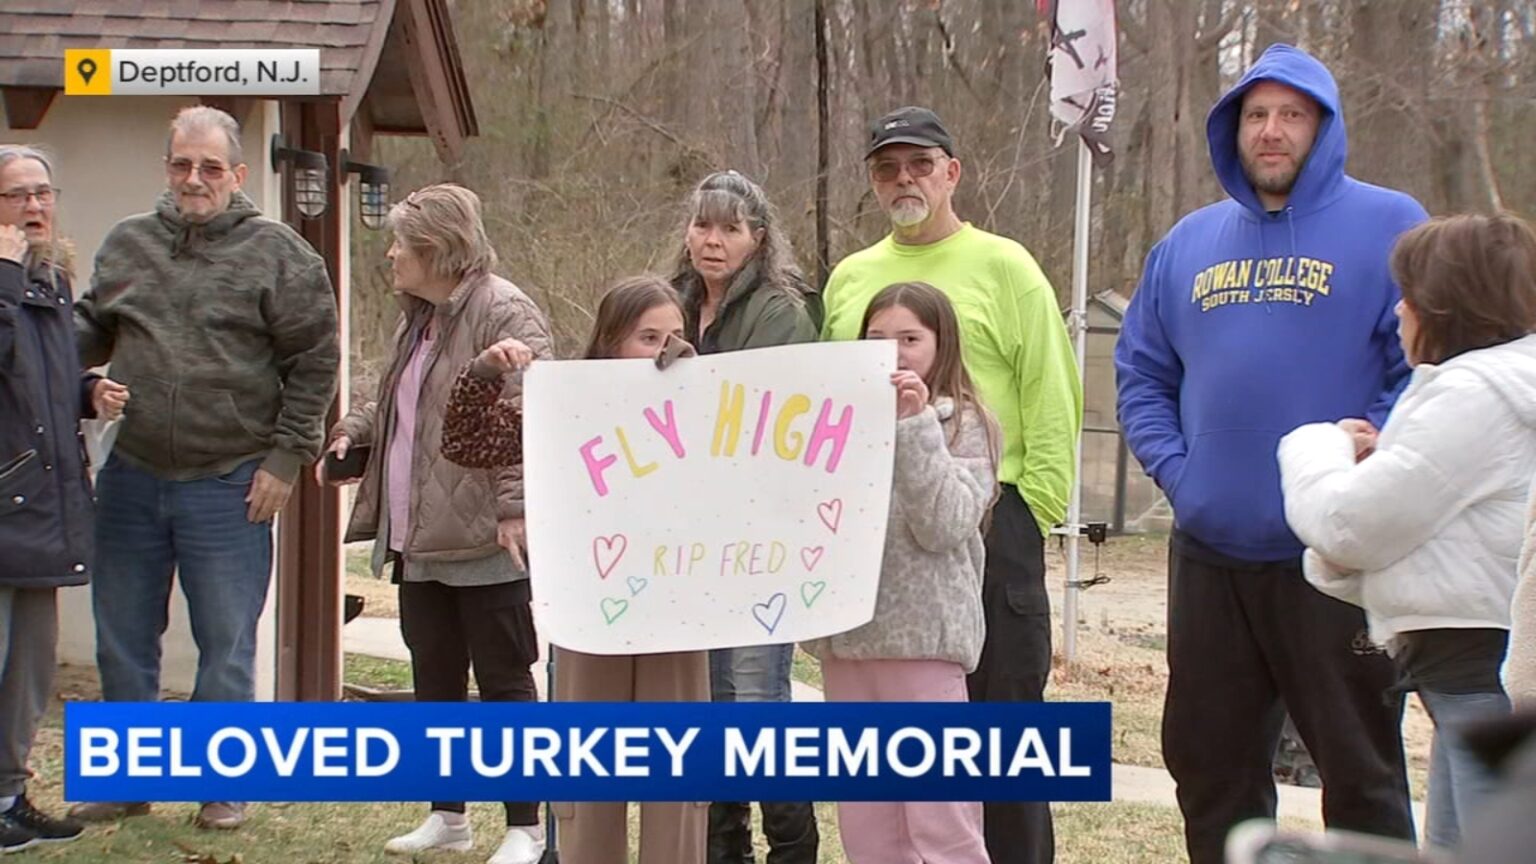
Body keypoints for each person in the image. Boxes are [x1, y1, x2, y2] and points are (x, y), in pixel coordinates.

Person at [1114, 44, 1424, 863]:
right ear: (1233, 129)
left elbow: (1419, 370)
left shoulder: (1390, 224)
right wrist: (1183, 477)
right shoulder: (1187, 242)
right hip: (1211, 554)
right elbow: (1142, 375)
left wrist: (1367, 464)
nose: (1271, 131)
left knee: (1361, 775)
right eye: (1255, 115)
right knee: (1208, 768)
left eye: (1292, 114)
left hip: (1333, 558)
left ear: (1325, 127)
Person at [820, 106, 1081, 864]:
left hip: (987, 512)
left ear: (952, 173)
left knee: (1000, 739)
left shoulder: (1006, 266)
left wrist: (1031, 511)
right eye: (886, 168)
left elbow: (1053, 392)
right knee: (878, 775)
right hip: (875, 539)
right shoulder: (850, 278)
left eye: (920, 165)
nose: (903, 179)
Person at [69, 107, 338, 830]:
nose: (195, 179)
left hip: (231, 479)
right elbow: (88, 330)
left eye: (211, 167)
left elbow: (316, 362)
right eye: (182, 165)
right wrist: (54, 344)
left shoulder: (279, 256)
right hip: (131, 472)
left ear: (238, 175)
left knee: (226, 642)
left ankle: (222, 783)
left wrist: (286, 458)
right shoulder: (127, 243)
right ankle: (127, 781)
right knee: (122, 637)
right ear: (167, 169)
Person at [1280, 214, 1536, 849]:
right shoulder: (1505, 390)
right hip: (1474, 671)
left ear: (1446, 305)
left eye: (1409, 294)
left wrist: (1317, 445)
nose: (1398, 310)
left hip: (1478, 675)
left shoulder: (1475, 395)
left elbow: (1348, 526)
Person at [319, 184, 552, 864]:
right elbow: (398, 401)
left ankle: (526, 826)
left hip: (484, 534)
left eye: (401, 243)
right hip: (418, 534)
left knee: (505, 682)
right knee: (436, 680)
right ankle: (447, 814)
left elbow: (529, 412)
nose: (390, 254)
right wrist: (354, 430)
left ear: (437, 249)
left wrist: (514, 507)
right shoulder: (417, 319)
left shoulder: (504, 310)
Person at [441, 275, 708, 864]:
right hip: (592, 607)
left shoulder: (703, 407)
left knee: (678, 770)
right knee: (587, 772)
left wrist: (698, 388)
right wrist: (484, 373)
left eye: (675, 337)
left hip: (678, 610)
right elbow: (465, 442)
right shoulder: (564, 408)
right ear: (611, 340)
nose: (663, 350)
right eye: (648, 337)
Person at [802, 281, 995, 864]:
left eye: (911, 338)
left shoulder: (966, 423)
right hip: (849, 640)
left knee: (941, 820)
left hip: (924, 643)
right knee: (868, 823)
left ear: (941, 344)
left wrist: (914, 427)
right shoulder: (834, 420)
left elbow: (946, 522)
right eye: (878, 337)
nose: (895, 351)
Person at [668, 170, 820, 864]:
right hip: (682, 542)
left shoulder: (782, 311)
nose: (713, 240)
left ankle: (792, 850)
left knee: (758, 702)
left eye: (729, 228)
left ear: (757, 238)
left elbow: (761, 412)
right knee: (704, 706)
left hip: (761, 538)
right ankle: (722, 851)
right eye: (703, 225)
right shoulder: (668, 301)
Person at [0, 146, 126, 852]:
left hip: (42, 506)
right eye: (16, 196)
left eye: (42, 193)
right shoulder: (11, 280)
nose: (34, 207)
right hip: (4, 502)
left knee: (29, 669)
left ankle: (8, 797)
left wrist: (86, 391)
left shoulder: (49, 280)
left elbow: (34, 382)